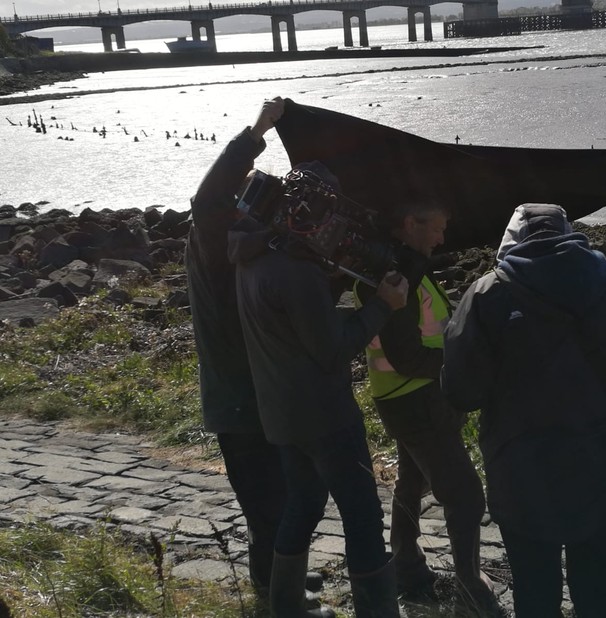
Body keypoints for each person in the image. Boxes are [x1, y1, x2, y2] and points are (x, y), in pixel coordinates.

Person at [442, 204, 606, 618]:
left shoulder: (487, 292)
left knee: (534, 589)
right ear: (569, 234)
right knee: (598, 585)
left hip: (520, 464)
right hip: (602, 459)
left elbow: (461, 391)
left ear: (513, 240)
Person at [228, 149, 410, 617]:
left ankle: (285, 605)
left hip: (282, 412)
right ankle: (378, 609)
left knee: (304, 503)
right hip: (325, 415)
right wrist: (384, 304)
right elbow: (332, 347)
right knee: (362, 514)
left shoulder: (253, 256)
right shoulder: (296, 272)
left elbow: (297, 329)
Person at [186, 97, 327, 606]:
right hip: (241, 400)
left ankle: (277, 576)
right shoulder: (214, 243)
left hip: (257, 394)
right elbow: (208, 201)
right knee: (274, 503)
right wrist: (256, 131)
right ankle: (278, 595)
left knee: (277, 499)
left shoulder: (236, 251)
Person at [353, 203, 500, 616]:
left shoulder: (406, 265)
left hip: (406, 398)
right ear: (407, 224)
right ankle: (470, 586)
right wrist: (462, 362)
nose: (441, 239)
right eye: (435, 229)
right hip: (414, 399)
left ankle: (406, 565)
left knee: (412, 480)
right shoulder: (398, 274)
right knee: (467, 496)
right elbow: (405, 355)